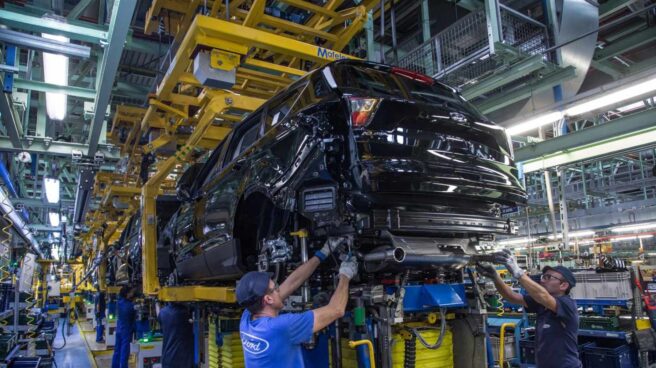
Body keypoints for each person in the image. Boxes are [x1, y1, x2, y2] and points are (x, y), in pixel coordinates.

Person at [237, 240, 357, 368]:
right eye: (275, 288)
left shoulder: (247, 318)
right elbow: (337, 309)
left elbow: (291, 283)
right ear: (268, 299)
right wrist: (345, 275)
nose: (279, 289)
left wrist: (322, 253)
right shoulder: (282, 327)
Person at [477, 249, 580, 368]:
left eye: (548, 277)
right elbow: (512, 296)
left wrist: (518, 272)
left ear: (564, 285)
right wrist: (495, 277)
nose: (542, 280)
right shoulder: (542, 304)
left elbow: (542, 295)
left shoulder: (567, 304)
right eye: (543, 276)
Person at [158, 303, 194, 368]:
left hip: (167, 358)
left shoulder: (162, 313)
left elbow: (162, 330)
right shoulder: (184, 313)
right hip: (184, 360)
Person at [111, 286, 137, 368]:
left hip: (119, 328)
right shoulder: (130, 306)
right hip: (126, 330)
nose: (132, 294)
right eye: (131, 292)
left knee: (117, 350)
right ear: (127, 294)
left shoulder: (119, 302)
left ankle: (114, 366)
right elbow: (133, 317)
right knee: (125, 352)